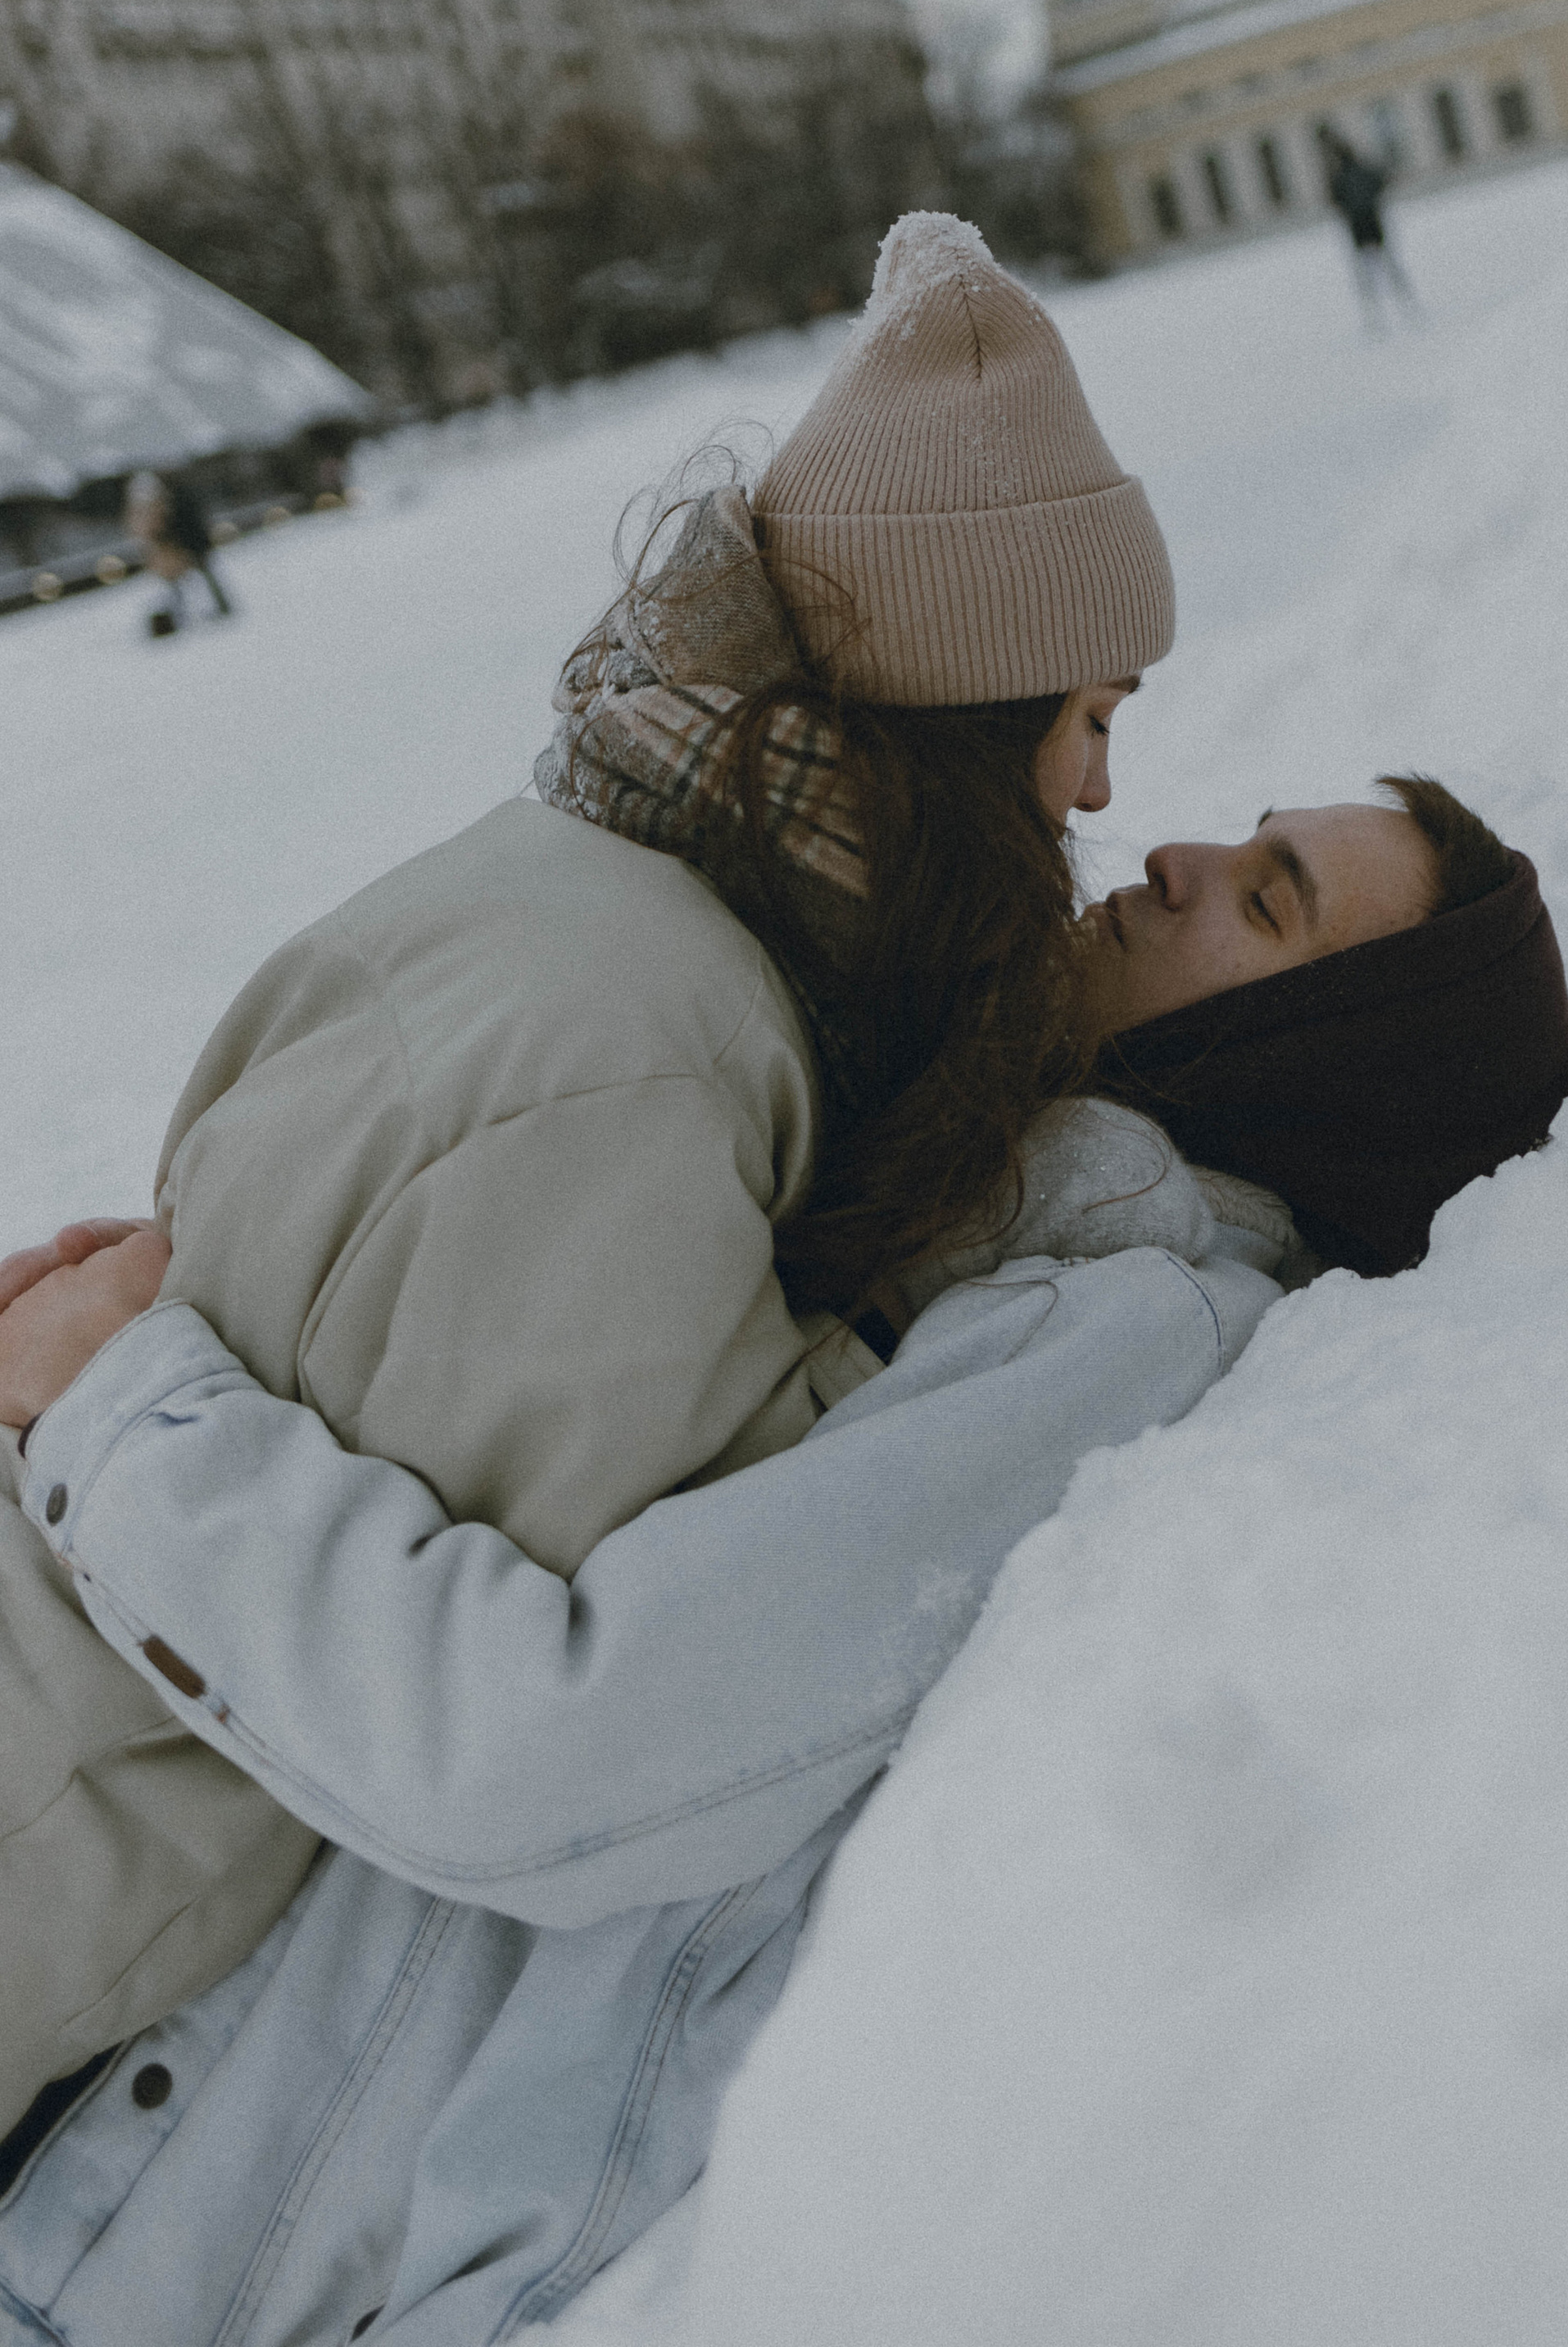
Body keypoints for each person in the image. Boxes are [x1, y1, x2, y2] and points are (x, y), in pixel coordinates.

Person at [0, 773, 1568, 2343]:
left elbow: (555, 1749)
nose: (1179, 857)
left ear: (1329, 1069)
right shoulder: (991, 1227)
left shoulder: (1131, 1333)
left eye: (1268, 897)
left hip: (165, 2257)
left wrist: (124, 1414)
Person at [0, 211, 1175, 2142]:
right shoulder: (646, 1044)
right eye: (1092, 717)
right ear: (971, 714)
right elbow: (541, 1654)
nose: (1104, 797)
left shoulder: (628, 916)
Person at [1316, 119, 1417, 330]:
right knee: (1387, 262)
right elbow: (1381, 182)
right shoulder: (1362, 170)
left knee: (1368, 268)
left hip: (1358, 225)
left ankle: (1375, 310)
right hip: (1371, 219)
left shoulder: (1339, 177)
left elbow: (1333, 200)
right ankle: (1403, 300)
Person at [124, 469, 235, 637]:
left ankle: (217, 608)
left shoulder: (171, 505)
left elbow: (178, 527)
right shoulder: (164, 505)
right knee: (184, 584)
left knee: (198, 580)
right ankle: (188, 615)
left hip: (185, 547)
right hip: (177, 550)